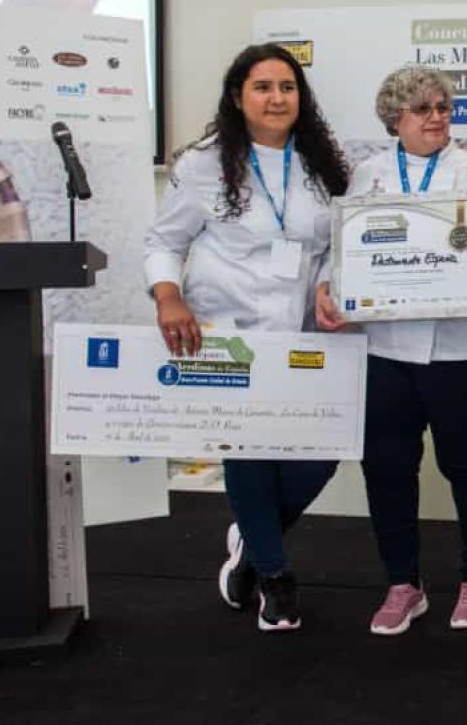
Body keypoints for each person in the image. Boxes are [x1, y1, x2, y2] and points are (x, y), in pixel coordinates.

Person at [314, 66, 467, 636]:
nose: (436, 117)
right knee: (387, 468)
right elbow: (344, 249)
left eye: (442, 107)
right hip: (386, 351)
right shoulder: (369, 174)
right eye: (422, 109)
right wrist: (329, 287)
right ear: (395, 119)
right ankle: (402, 585)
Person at [144, 43, 350, 632]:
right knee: (250, 451)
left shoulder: (322, 165)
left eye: (287, 87)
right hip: (230, 332)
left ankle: (252, 540)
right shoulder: (202, 164)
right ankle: (276, 578)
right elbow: (164, 241)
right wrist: (168, 297)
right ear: (238, 97)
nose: (276, 98)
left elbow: (335, 245)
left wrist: (330, 284)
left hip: (305, 334)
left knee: (319, 457)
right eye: (262, 87)